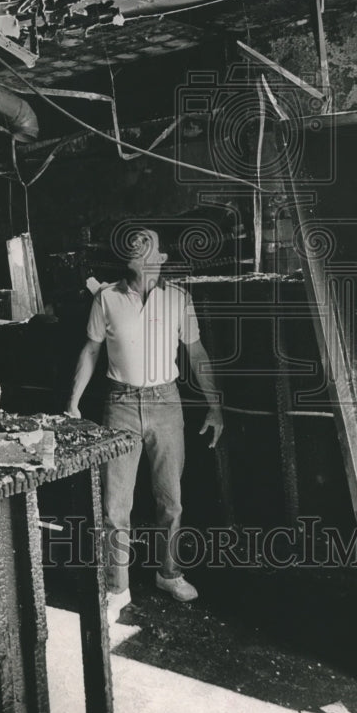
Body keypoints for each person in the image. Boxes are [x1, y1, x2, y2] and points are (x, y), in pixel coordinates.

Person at [65, 226, 223, 622]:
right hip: (119, 404)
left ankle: (169, 574)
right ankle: (116, 586)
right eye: (134, 243)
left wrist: (215, 405)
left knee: (170, 500)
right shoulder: (107, 298)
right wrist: (73, 403)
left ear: (162, 258)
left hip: (166, 403)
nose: (138, 246)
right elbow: (90, 351)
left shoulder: (179, 299)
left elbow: (197, 354)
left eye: (148, 242)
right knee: (115, 504)